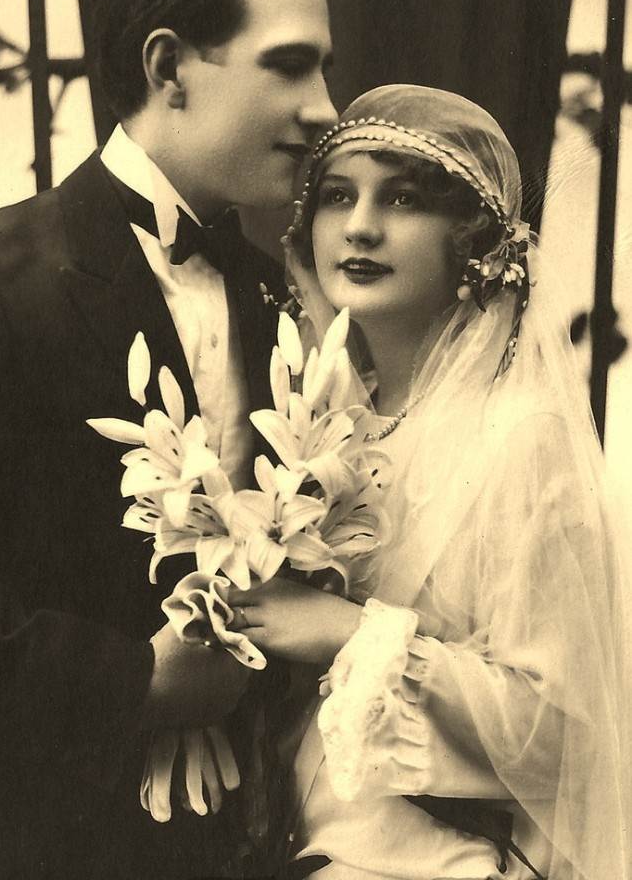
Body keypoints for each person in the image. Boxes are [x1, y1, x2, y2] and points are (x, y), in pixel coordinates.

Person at [0, 0, 335, 878]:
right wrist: (142, 683)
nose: (325, 107)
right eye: (289, 66)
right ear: (170, 69)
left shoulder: (276, 294)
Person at [228, 85, 632, 880]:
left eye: (404, 198)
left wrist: (348, 630)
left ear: (473, 242)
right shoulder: (321, 422)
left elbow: (563, 731)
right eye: (337, 196)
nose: (361, 226)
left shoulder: (517, 441)